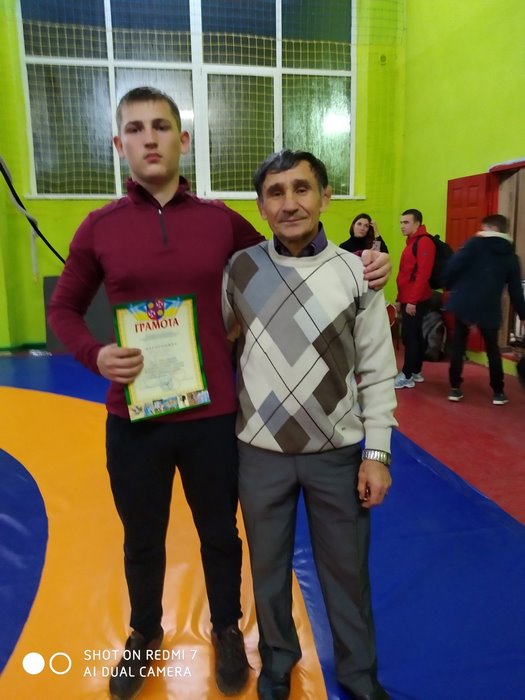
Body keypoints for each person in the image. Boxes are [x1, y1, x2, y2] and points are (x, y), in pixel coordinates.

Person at [47, 87, 392, 700]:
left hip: (215, 420)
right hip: (136, 418)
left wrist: (364, 265)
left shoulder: (221, 223)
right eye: (135, 129)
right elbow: (64, 309)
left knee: (221, 536)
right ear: (119, 143)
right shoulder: (98, 227)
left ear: (183, 140)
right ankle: (144, 633)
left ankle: (228, 629)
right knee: (141, 536)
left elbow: (289, 253)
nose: (149, 139)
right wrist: (94, 354)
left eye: (160, 126)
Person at [223, 150, 397, 700]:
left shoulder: (358, 272)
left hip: (337, 455)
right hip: (259, 454)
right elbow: (221, 341)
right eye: (275, 193)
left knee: (347, 573)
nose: (289, 203)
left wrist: (377, 454)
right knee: (268, 569)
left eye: (302, 189)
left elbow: (378, 369)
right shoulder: (240, 270)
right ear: (261, 206)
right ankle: (277, 663)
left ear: (325, 197)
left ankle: (359, 676)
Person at [443, 214, 525, 405]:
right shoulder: (511, 256)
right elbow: (515, 290)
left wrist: (450, 286)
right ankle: (498, 392)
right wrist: (523, 314)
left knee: (458, 346)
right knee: (492, 349)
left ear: (491, 228)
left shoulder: (473, 244)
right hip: (490, 306)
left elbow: (452, 267)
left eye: (484, 227)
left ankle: (455, 388)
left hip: (464, 302)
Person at [395, 208, 436, 388]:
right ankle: (416, 371)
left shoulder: (424, 242)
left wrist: (412, 301)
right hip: (408, 298)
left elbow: (423, 275)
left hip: (416, 299)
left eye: (406, 222)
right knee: (415, 335)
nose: (402, 226)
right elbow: (405, 274)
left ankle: (407, 375)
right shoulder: (411, 243)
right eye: (401, 222)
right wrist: (399, 298)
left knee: (410, 336)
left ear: (417, 224)